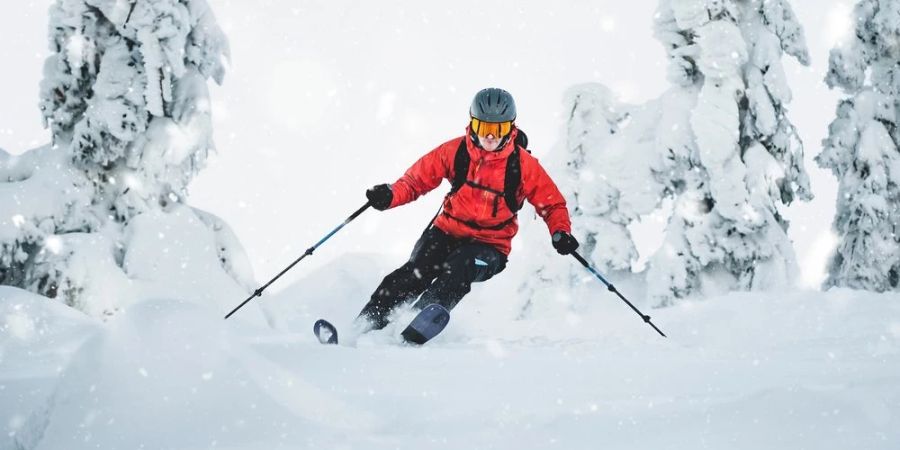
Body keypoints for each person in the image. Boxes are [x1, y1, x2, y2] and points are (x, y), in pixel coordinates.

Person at [356, 88, 579, 331]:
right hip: (446, 232)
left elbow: (552, 203)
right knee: (415, 272)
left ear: (511, 129)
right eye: (484, 128)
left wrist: (560, 232)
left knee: (459, 268)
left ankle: (416, 323)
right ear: (472, 124)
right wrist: (389, 196)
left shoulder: (523, 165)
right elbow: (414, 181)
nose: (491, 137)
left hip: (490, 246)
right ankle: (365, 324)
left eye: (499, 129)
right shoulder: (455, 152)